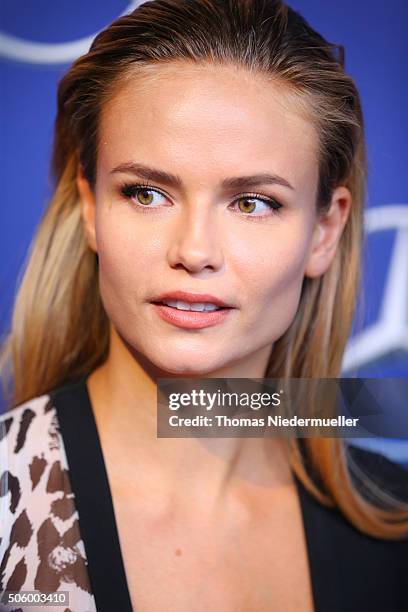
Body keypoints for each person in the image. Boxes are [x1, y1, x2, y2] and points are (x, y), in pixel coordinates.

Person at [0, 1, 407, 611]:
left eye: (253, 203)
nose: (194, 251)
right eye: (146, 193)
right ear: (89, 208)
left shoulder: (393, 519)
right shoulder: (9, 506)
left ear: (324, 231)